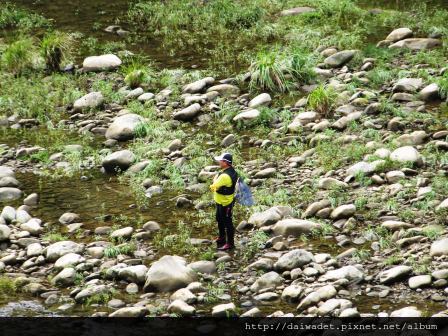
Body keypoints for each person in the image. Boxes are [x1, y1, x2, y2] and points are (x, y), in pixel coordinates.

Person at [209, 153, 238, 251]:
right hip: (221, 201)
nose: (219, 162)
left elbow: (213, 187)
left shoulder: (224, 176)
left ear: (225, 163)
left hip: (225, 203)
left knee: (228, 223)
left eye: (220, 160)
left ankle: (230, 244)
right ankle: (221, 237)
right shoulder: (232, 171)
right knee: (219, 218)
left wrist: (215, 179)